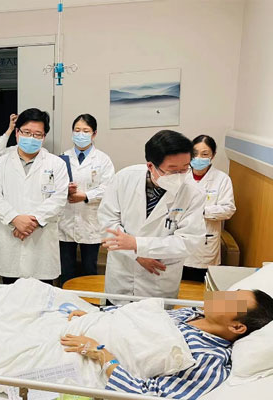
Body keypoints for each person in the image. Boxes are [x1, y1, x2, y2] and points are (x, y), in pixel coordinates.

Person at [61, 289, 273, 399]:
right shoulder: (192, 313)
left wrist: (101, 354)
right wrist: (97, 313)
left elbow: (147, 395)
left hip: (86, 359)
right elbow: (137, 317)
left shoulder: (208, 360)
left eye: (232, 301)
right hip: (84, 328)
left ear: (237, 327)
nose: (221, 296)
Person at [98, 130, 206, 302]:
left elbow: (188, 241)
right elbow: (107, 221)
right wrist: (136, 253)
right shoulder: (124, 178)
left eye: (185, 169)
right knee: (115, 313)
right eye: (172, 170)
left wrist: (139, 245)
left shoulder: (193, 193)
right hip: (122, 274)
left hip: (158, 283)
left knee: (153, 317)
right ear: (150, 166)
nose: (180, 176)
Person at [0, 108, 68, 284]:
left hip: (41, 240)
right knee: (11, 292)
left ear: (44, 137)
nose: (32, 138)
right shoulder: (0, 164)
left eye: (37, 134)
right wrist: (15, 219)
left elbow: (59, 198)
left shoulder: (56, 164)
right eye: (27, 132)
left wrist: (32, 222)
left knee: (42, 294)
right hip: (10, 237)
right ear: (17, 133)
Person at [59, 114, 115, 285]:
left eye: (85, 131)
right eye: (77, 130)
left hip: (90, 221)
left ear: (94, 134)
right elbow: (52, 186)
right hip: (66, 220)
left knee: (89, 270)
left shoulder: (103, 160)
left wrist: (85, 196)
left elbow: (109, 188)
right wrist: (66, 190)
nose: (80, 134)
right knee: (66, 270)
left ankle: (90, 300)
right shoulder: (63, 158)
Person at [184, 135, 236, 282]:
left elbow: (228, 209)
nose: (198, 158)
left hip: (205, 246)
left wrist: (202, 211)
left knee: (202, 288)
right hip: (181, 243)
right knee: (180, 288)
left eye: (204, 154)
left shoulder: (222, 179)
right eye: (195, 153)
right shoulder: (181, 176)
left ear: (213, 155)